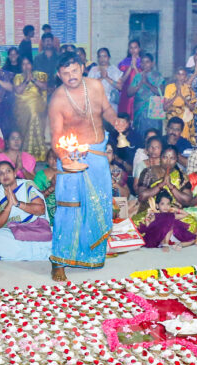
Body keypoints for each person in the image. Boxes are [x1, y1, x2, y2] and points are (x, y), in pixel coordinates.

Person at [47, 52, 127, 280]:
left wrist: (115, 120)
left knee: (98, 205)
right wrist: (64, 158)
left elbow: (107, 109)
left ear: (82, 68)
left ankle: (90, 256)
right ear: (58, 75)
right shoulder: (57, 100)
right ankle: (59, 260)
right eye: (65, 73)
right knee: (69, 208)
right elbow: (56, 136)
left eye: (74, 70)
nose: (71, 76)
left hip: (98, 154)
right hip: (71, 156)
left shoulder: (95, 86)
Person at [0, 160, 53, 261]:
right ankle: (39, 252)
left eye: (8, 171)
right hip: (12, 230)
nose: (5, 175)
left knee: (56, 235)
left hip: (35, 226)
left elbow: (41, 209)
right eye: (1, 173)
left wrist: (18, 203)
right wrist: (9, 204)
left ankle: (24, 253)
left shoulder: (27, 186)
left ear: (14, 173)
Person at [133, 146, 197, 231]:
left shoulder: (181, 176)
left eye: (172, 158)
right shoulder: (149, 172)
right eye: (165, 157)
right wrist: (161, 184)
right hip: (152, 212)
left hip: (172, 213)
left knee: (191, 223)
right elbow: (142, 196)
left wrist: (171, 186)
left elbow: (188, 200)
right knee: (136, 225)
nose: (168, 161)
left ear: (176, 160)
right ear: (160, 158)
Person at [13, 56, 50, 161]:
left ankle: (38, 153)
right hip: (22, 105)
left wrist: (33, 79)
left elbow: (44, 87)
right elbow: (18, 91)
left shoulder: (39, 75)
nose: (26, 66)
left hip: (37, 102)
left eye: (28, 63)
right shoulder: (18, 77)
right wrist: (26, 81)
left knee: (34, 112)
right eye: (23, 64)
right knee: (31, 112)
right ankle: (28, 154)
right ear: (21, 66)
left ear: (32, 65)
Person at [129, 54, 165, 138]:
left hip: (154, 110)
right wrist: (139, 84)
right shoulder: (138, 77)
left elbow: (160, 92)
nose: (144, 64)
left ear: (152, 63)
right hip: (140, 111)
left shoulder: (158, 76)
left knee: (154, 136)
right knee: (140, 135)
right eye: (142, 62)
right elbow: (129, 93)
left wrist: (146, 83)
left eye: (147, 62)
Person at [163, 65, 196, 144]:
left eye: (183, 74)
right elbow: (165, 107)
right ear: (176, 76)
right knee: (171, 138)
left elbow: (192, 108)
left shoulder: (189, 89)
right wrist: (176, 96)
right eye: (179, 74)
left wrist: (182, 96)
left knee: (183, 140)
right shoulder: (169, 87)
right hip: (172, 117)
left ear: (186, 77)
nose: (180, 77)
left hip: (185, 118)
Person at [117, 41, 143, 121]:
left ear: (139, 49)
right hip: (126, 93)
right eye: (131, 48)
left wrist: (135, 67)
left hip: (139, 93)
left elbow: (143, 79)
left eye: (135, 47)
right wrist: (130, 67)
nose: (133, 50)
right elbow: (122, 80)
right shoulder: (124, 62)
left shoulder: (144, 62)